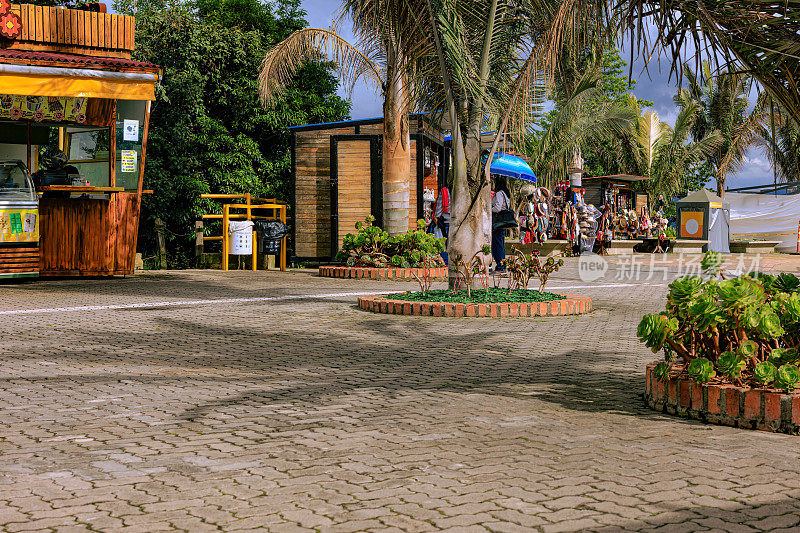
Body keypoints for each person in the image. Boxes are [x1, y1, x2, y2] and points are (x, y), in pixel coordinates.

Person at [491, 176, 511, 271]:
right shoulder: (506, 194)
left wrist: (489, 209)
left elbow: (498, 208)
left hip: (497, 222)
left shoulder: (499, 194)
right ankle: (502, 264)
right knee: (500, 243)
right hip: (502, 223)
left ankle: (500, 265)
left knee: (497, 244)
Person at [432, 183, 450, 263]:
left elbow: (439, 208)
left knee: (443, 243)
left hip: (446, 221)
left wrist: (436, 217)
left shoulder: (445, 192)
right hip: (459, 222)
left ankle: (446, 262)